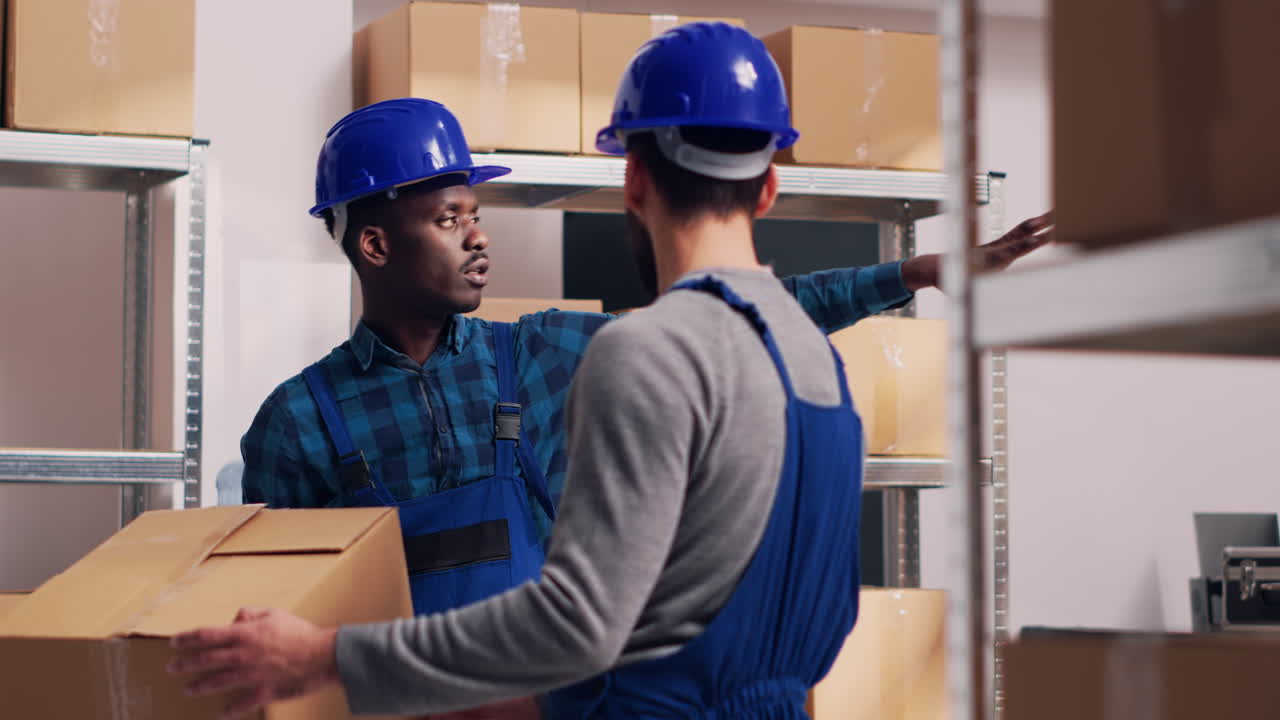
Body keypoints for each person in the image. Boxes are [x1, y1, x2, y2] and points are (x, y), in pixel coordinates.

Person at [172, 22, 1053, 719]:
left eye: (476, 212)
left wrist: (901, 275)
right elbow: (267, 629)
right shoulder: (298, 420)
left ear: (633, 180)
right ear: (372, 243)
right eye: (450, 217)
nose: (479, 235)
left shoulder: (552, 351)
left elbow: (715, 332)